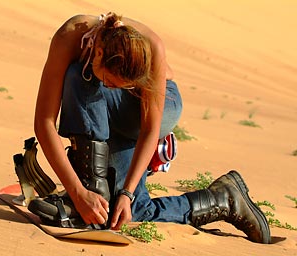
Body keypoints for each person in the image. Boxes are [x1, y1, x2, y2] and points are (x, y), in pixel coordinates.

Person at [32, 12, 270, 243]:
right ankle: (221, 199)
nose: (111, 87)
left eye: (117, 85)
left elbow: (149, 131)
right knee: (125, 212)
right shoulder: (71, 36)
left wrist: (126, 193)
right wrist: (79, 193)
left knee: (121, 202)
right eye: (110, 82)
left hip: (160, 106)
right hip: (110, 109)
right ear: (100, 52)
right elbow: (44, 122)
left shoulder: (152, 46)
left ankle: (96, 195)